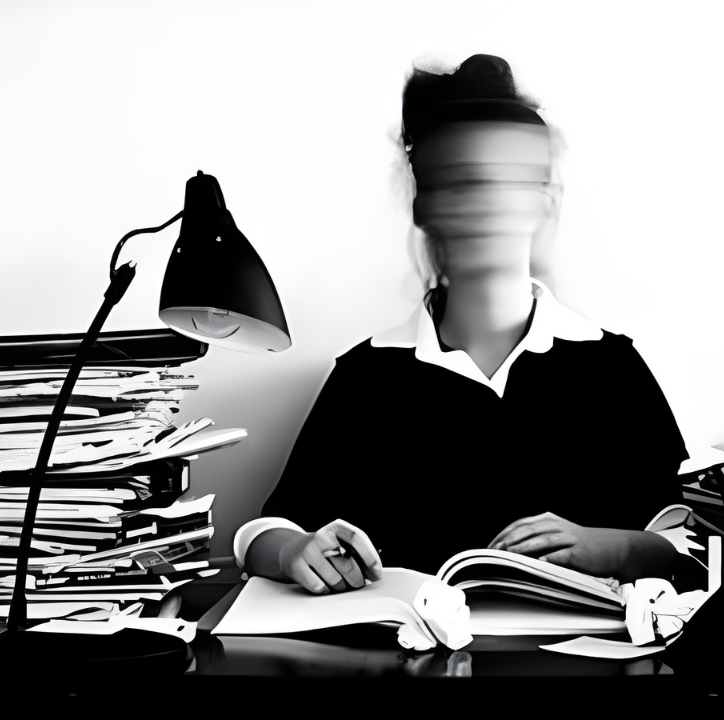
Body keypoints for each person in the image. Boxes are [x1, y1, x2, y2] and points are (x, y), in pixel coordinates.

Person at [235, 55, 689, 594]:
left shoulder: (611, 366)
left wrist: (613, 547)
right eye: (459, 184)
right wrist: (292, 550)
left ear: (543, 199)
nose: (483, 207)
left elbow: (683, 542)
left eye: (506, 181)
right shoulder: (367, 375)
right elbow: (266, 528)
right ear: (425, 206)